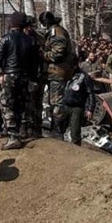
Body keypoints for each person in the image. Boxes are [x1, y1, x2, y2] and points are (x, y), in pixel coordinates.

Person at [0, 12, 37, 150]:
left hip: (10, 75)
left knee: (7, 103)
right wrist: (32, 78)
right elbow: (34, 63)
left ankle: (12, 135)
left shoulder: (6, 39)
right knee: (20, 104)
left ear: (12, 23)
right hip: (25, 76)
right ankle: (20, 131)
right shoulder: (30, 40)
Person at [39, 11, 76, 139]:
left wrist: (43, 55)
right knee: (53, 102)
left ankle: (58, 131)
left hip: (58, 72)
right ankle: (56, 129)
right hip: (56, 72)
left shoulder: (56, 32)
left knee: (57, 103)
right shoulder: (56, 31)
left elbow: (58, 53)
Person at [61, 66, 96, 145]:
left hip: (77, 107)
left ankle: (76, 147)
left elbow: (90, 93)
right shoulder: (65, 73)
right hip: (64, 104)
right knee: (60, 128)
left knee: (75, 130)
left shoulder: (84, 77)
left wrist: (90, 109)